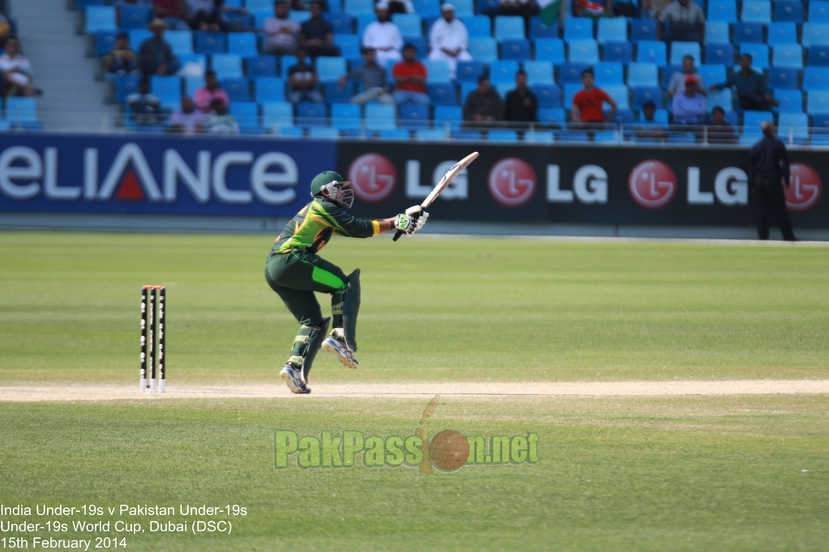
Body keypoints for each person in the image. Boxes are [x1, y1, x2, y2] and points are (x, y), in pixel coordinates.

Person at [265, 171, 428, 394]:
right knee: (344, 285)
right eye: (338, 187)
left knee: (312, 321)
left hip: (274, 269)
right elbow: (359, 228)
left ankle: (294, 368)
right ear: (325, 190)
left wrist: (400, 221)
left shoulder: (320, 212)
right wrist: (397, 222)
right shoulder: (323, 206)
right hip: (290, 260)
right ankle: (340, 338)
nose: (343, 192)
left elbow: (356, 229)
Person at [748, 121, 797, 241]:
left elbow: (751, 167)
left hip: (759, 180)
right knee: (780, 209)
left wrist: (751, 183)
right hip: (773, 180)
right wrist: (786, 180)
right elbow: (784, 165)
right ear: (773, 130)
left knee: (761, 210)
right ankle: (788, 236)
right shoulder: (778, 145)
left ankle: (763, 236)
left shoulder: (757, 146)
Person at [709, 54, 777, 112]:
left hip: (757, 104)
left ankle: (763, 101)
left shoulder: (758, 76)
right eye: (742, 60)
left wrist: (766, 95)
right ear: (740, 62)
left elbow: (764, 89)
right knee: (741, 92)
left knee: (762, 98)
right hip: (745, 104)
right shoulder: (735, 76)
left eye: (746, 60)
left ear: (750, 62)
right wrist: (716, 86)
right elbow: (727, 84)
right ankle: (765, 101)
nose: (744, 62)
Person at [427, 4, 472, 81]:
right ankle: (440, 77)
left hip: (457, 51)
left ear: (453, 13)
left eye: (450, 12)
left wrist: (458, 50)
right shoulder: (437, 25)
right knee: (432, 59)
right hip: (442, 50)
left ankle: (460, 78)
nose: (449, 14)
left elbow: (464, 40)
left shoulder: (459, 24)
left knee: (468, 60)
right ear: (443, 13)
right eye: (446, 13)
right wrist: (446, 50)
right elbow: (433, 42)